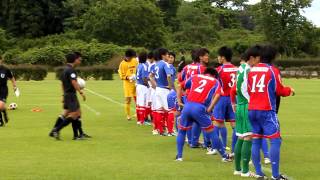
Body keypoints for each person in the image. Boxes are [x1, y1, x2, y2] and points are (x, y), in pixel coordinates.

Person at [248, 45, 294, 180]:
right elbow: (279, 90)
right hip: (266, 110)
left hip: (252, 109)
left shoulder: (252, 70)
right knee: (275, 140)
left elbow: (250, 89)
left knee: (256, 140)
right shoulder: (273, 70)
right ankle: (275, 175)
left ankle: (259, 173)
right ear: (273, 57)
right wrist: (289, 90)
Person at [175, 67, 232, 162]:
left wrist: (179, 101)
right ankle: (224, 156)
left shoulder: (195, 77)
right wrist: (209, 108)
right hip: (200, 108)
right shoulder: (215, 81)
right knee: (212, 132)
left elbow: (179, 85)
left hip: (187, 106)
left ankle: (179, 156)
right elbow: (218, 95)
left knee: (182, 131)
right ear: (214, 75)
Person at [49, 52, 87, 140]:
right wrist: (81, 92)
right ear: (74, 60)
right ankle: (56, 130)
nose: (79, 61)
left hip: (67, 95)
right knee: (74, 114)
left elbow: (62, 83)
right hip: (71, 95)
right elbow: (74, 82)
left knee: (73, 113)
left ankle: (77, 135)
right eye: (78, 59)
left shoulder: (65, 70)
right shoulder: (71, 70)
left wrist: (63, 95)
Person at [230, 50, 256, 177]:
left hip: (240, 105)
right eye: (257, 58)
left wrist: (233, 103)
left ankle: (237, 169)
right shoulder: (249, 70)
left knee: (240, 136)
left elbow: (234, 88)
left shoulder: (239, 68)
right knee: (248, 137)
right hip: (247, 105)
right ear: (252, 58)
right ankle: (245, 171)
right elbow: (252, 89)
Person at [213, 46, 238, 154]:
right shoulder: (237, 69)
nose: (218, 58)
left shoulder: (219, 70)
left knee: (218, 123)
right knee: (235, 125)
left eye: (219, 56)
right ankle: (234, 150)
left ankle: (216, 148)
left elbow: (215, 86)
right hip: (234, 98)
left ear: (222, 57)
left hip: (222, 98)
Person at [149, 48, 173, 136]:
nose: (168, 56)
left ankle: (160, 130)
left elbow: (150, 76)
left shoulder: (156, 65)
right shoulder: (165, 64)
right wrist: (170, 86)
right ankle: (170, 131)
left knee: (159, 110)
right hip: (164, 90)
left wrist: (155, 85)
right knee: (169, 110)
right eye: (167, 55)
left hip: (158, 89)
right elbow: (169, 76)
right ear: (163, 55)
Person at [118, 49, 138, 120]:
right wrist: (128, 77)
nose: (130, 59)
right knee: (128, 99)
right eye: (129, 57)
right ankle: (128, 115)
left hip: (135, 83)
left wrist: (135, 76)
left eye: (131, 57)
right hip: (127, 84)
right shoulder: (122, 64)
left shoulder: (135, 60)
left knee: (137, 99)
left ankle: (137, 113)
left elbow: (138, 68)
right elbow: (121, 76)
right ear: (126, 57)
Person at [0, 59, 17, 127]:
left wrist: (14, 86)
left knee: (0, 106)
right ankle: (1, 121)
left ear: (1, 60)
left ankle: (4, 112)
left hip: (3, 90)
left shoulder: (6, 69)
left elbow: (12, 78)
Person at [136, 52, 149, 125]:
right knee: (142, 103)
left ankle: (139, 120)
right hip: (142, 86)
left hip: (138, 85)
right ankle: (142, 121)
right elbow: (144, 78)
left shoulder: (139, 65)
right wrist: (147, 85)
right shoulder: (144, 65)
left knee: (138, 103)